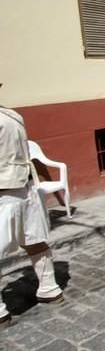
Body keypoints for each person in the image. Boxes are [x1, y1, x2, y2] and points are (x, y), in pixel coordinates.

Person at [1, 102, 64, 327]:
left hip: (4, 191)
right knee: (35, 240)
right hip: (25, 187)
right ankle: (50, 289)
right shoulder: (12, 116)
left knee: (34, 240)